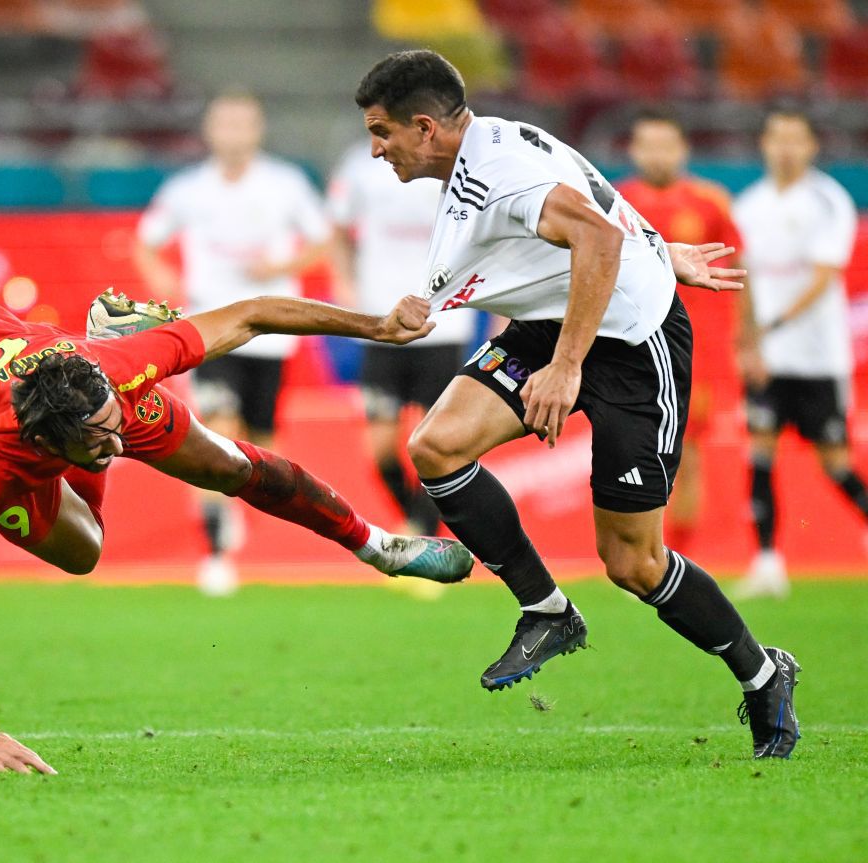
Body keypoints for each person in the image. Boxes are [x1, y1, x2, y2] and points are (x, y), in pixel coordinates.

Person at [353, 50, 799, 758]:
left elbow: (596, 233)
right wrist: (655, 245)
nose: (376, 150)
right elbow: (594, 202)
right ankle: (547, 610)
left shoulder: (498, 174)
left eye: (382, 133)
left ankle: (764, 671)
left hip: (629, 341)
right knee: (436, 445)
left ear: (425, 125)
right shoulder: (486, 146)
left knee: (633, 563)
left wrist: (566, 366)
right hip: (555, 316)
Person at [0, 291, 475, 773]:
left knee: (231, 467)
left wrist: (373, 325)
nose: (119, 446)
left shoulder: (115, 374)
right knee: (84, 553)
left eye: (112, 428)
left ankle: (379, 547)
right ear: (50, 448)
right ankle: (71, 453)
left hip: (66, 368)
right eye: (99, 443)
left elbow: (252, 314)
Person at [133, 90, 331, 595]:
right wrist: (161, 278)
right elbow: (145, 240)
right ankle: (217, 551)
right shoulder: (187, 189)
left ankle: (239, 506)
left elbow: (324, 241)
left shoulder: (285, 184)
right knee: (215, 431)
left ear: (257, 130)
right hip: (211, 329)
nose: (234, 133)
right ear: (210, 131)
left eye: (243, 124)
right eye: (225, 123)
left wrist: (281, 267)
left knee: (263, 443)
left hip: (271, 332)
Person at [732, 108, 865, 598]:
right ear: (765, 144)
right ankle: (767, 562)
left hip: (816, 356)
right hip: (767, 358)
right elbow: (743, 281)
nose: (785, 148)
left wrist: (771, 327)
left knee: (835, 461)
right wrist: (747, 341)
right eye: (777, 138)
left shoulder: (827, 201)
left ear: (811, 146)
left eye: (796, 139)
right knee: (760, 451)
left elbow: (824, 277)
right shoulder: (749, 205)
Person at [328, 137, 475, 542]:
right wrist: (343, 279)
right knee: (379, 447)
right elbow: (338, 227)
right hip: (380, 322)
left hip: (444, 322)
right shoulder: (360, 165)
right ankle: (418, 526)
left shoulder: (458, 159)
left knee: (440, 443)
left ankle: (422, 535)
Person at [616, 109, 744, 555]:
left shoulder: (710, 201)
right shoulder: (618, 202)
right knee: (633, 449)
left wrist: (745, 341)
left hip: (696, 353)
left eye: (666, 145)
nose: (657, 155)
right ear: (633, 150)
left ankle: (676, 554)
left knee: (685, 454)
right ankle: (637, 548)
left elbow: (737, 275)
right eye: (648, 145)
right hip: (631, 346)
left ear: (683, 150)